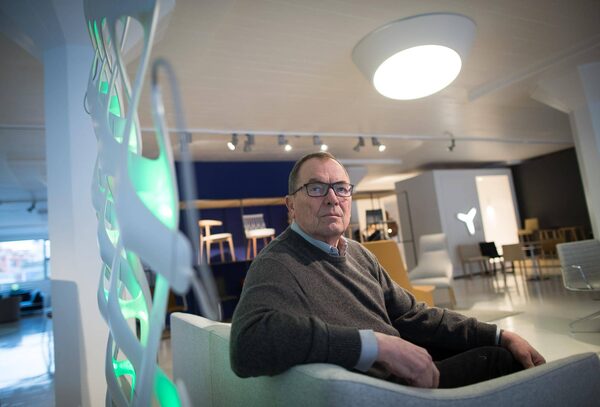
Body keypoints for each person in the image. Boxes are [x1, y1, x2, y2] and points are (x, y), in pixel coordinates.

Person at [230, 152, 545, 388]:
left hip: (410, 372)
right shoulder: (277, 262)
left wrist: (499, 334)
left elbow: (414, 315)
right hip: (390, 391)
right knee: (500, 362)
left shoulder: (358, 253)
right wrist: (374, 346)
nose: (332, 199)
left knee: (495, 347)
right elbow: (247, 344)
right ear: (290, 205)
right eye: (316, 188)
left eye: (341, 188)